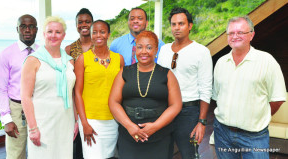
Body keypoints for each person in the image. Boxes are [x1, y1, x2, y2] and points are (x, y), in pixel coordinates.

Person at [212, 16, 286, 159]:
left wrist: (258, 117)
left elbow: (277, 99)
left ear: (251, 35)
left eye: (240, 32)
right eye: (231, 33)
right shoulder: (221, 62)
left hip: (254, 136)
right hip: (222, 133)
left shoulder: (267, 61)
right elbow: (218, 96)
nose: (235, 36)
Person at [109, 30, 182, 159]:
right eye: (139, 47)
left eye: (149, 47)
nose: (144, 51)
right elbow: (113, 102)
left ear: (156, 50)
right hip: (129, 136)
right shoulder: (124, 72)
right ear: (134, 49)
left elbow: (175, 105)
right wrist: (129, 126)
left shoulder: (167, 74)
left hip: (159, 137)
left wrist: (155, 126)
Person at [157, 8, 213, 159]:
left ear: (190, 26)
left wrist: (201, 122)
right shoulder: (164, 49)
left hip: (188, 112)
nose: (176, 27)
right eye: (173, 24)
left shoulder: (201, 51)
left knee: (189, 154)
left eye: (181, 23)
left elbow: (206, 88)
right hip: (164, 110)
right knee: (162, 153)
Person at [21, 16, 77, 159]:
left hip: (66, 122)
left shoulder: (69, 61)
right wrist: (33, 128)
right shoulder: (33, 60)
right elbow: (25, 97)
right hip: (42, 124)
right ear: (44, 34)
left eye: (58, 32)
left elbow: (72, 94)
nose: (53, 35)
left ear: (63, 35)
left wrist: (76, 121)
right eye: (50, 31)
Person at [74, 20, 124, 159]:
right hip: (91, 119)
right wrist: (84, 123)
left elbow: (121, 90)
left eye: (102, 32)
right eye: (94, 32)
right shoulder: (83, 59)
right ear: (90, 35)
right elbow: (77, 92)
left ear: (108, 34)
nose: (98, 35)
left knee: (108, 156)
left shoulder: (119, 59)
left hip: (113, 119)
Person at [0, 14, 38, 159]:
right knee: (15, 155)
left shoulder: (42, 52)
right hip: (16, 110)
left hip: (39, 109)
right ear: (17, 29)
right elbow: (0, 89)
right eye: (23, 26)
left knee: (40, 152)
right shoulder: (6, 54)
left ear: (36, 30)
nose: (27, 30)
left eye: (31, 26)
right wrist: (6, 119)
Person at [65, 8, 93, 159]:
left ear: (92, 23)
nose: (84, 25)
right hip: (75, 101)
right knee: (76, 144)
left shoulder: (100, 48)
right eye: (80, 22)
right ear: (76, 25)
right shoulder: (69, 49)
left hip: (94, 101)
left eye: (87, 22)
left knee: (93, 143)